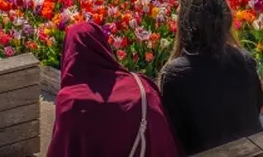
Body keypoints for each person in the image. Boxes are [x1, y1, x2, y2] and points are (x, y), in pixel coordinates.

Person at [47, 22, 181, 157]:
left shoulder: (70, 103)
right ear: (103, 47)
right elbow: (163, 142)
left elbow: (61, 150)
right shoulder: (143, 87)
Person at [158, 0, 263, 155]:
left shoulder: (175, 74)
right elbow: (257, 105)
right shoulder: (244, 60)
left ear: (184, 25)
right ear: (227, 21)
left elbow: (171, 135)